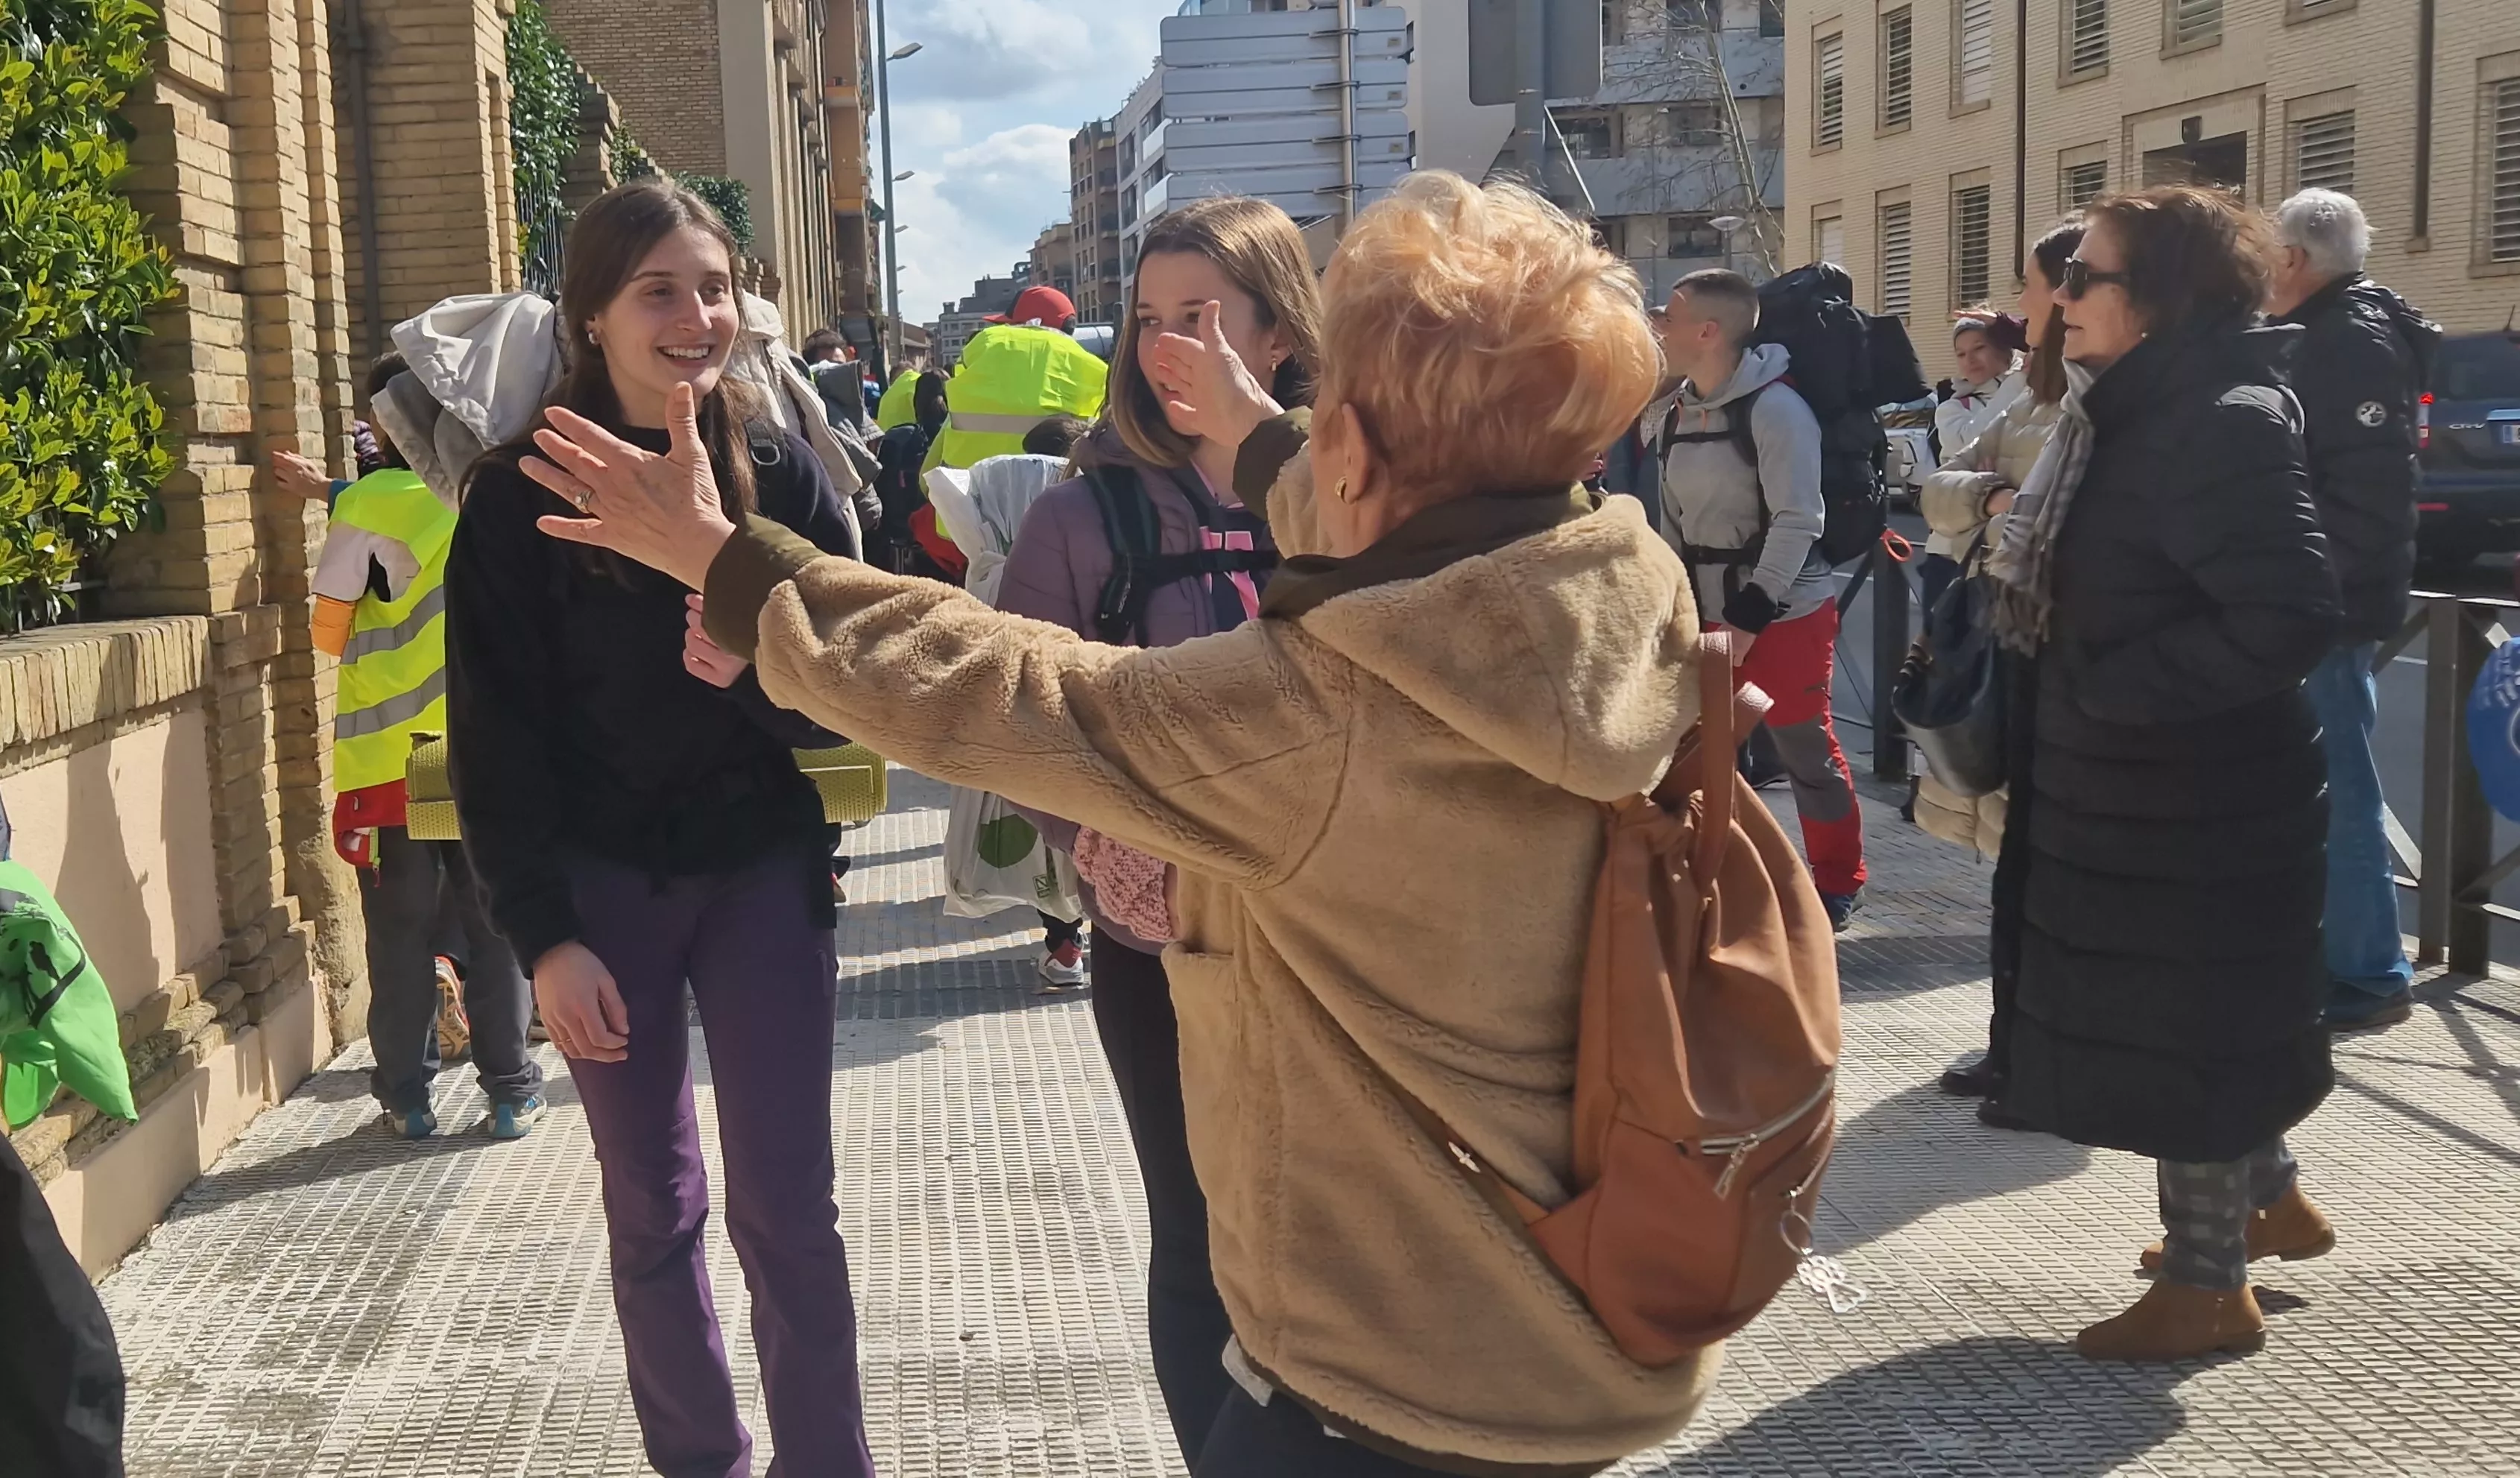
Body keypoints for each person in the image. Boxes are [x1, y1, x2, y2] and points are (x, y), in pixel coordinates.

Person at [520, 170, 1720, 1478]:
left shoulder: (1325, 714)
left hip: (1387, 1376)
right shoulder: (1614, 585)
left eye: (1332, 422)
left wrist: (726, 560)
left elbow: (1017, 691)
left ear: (1357, 450)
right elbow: (1415, 533)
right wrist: (1269, 440)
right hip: (1591, 1331)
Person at [443, 179, 877, 1476]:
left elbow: (845, 707)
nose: (698, 316)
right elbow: (494, 736)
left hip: (761, 873)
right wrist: (543, 935)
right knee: (654, 1206)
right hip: (602, 893)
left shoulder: (781, 468)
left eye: (715, 286)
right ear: (591, 313)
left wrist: (756, 671)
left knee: (790, 1210)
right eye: (660, 291)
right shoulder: (520, 496)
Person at [1983, 185, 2340, 1362]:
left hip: (2196, 795)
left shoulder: (2215, 416)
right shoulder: (2136, 406)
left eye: (2085, 276)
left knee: (2190, 1026)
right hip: (2148, 787)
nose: (2061, 296)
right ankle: (2266, 1201)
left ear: (2160, 298)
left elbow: (2287, 615)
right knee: (2195, 1013)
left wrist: (2118, 689)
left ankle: (2206, 1286)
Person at [992, 195, 1318, 1463]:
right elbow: (1015, 715)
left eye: (1202, 319)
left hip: (1339, 942)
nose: (1167, 348)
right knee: (1196, 1229)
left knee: (1328, 1233)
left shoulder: (1348, 495)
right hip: (1161, 945)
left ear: (1279, 335)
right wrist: (1106, 857)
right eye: (1149, 322)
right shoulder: (1084, 517)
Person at [309, 353, 544, 1140]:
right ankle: (510, 1091)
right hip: (483, 757)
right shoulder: (493, 493)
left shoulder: (367, 506)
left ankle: (407, 1100)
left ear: (383, 421)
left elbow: (328, 629)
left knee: (400, 936)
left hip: (387, 762)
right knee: (495, 924)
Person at [1914, 221, 2084, 1125]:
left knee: (2051, 861)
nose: (2018, 304)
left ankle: (2045, 1047)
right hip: (2001, 634)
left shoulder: (2093, 400)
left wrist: (1998, 498)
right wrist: (1992, 495)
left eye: (2029, 286)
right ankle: (2017, 1039)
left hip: (2060, 650)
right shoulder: (2026, 395)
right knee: (2015, 861)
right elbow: (1940, 486)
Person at [2266, 188, 2443, 1033]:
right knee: (2317, 786)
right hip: (2323, 597)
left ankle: (2371, 974)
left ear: (2296, 259)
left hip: (2328, 606)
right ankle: (2340, 961)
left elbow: (2364, 498)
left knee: (2339, 787)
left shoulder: (2347, 341)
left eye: (2270, 254)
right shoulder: (2335, 332)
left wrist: (2307, 594)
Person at [1657, 268, 1866, 929]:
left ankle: (1836, 883)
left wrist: (1750, 613)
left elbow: (1800, 519)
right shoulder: (1674, 413)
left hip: (1786, 612)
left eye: (1670, 315)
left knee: (1803, 750)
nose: (1659, 326)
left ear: (1707, 330)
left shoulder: (1777, 409)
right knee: (1703, 753)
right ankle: (1722, 874)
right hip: (1712, 613)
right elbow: (1672, 524)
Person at [923, 285, 1108, 473]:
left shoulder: (982, 347)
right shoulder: (1093, 368)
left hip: (971, 495)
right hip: (1057, 493)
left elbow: (927, 476)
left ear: (1028, 324)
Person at [1919, 310, 2029, 611]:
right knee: (1941, 650)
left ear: (2004, 350)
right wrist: (2019, 381)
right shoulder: (1954, 406)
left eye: (1979, 348)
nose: (1970, 359)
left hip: (2005, 550)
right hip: (1950, 552)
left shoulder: (2030, 397)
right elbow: (1972, 441)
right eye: (1961, 353)